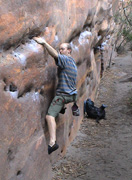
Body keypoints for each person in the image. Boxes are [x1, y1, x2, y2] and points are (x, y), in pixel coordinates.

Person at [33, 37, 78, 154]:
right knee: (60, 102)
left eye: (62, 49)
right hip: (72, 95)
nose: (60, 51)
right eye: (59, 49)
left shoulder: (66, 60)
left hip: (63, 96)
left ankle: (52, 143)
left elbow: (55, 55)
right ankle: (62, 108)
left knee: (49, 116)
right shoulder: (72, 62)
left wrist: (44, 43)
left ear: (69, 51)